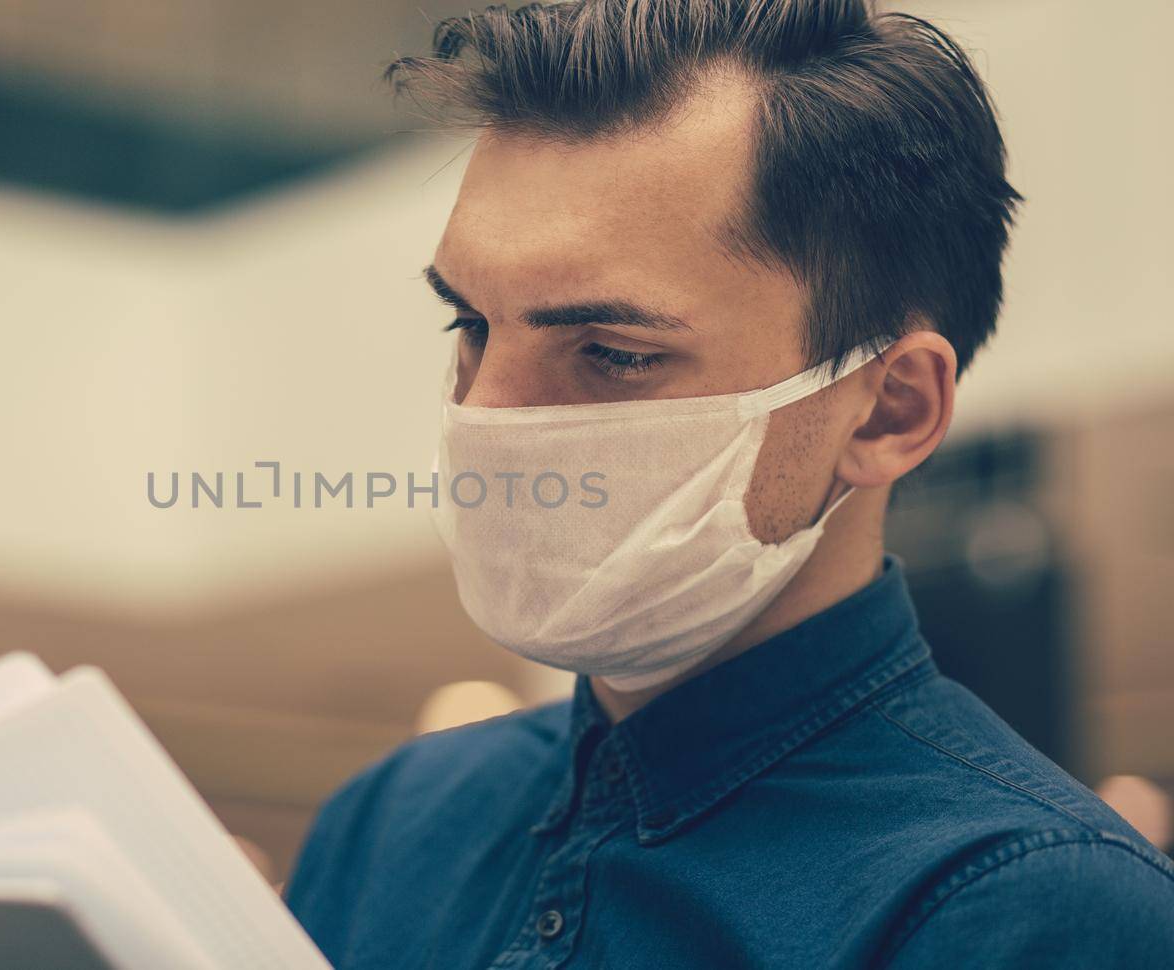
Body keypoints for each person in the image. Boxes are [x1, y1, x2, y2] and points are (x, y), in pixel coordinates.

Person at [282, 2, 1174, 967]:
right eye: (471, 326)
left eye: (614, 353)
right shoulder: (388, 823)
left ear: (889, 411)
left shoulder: (1025, 902)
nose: (486, 415)